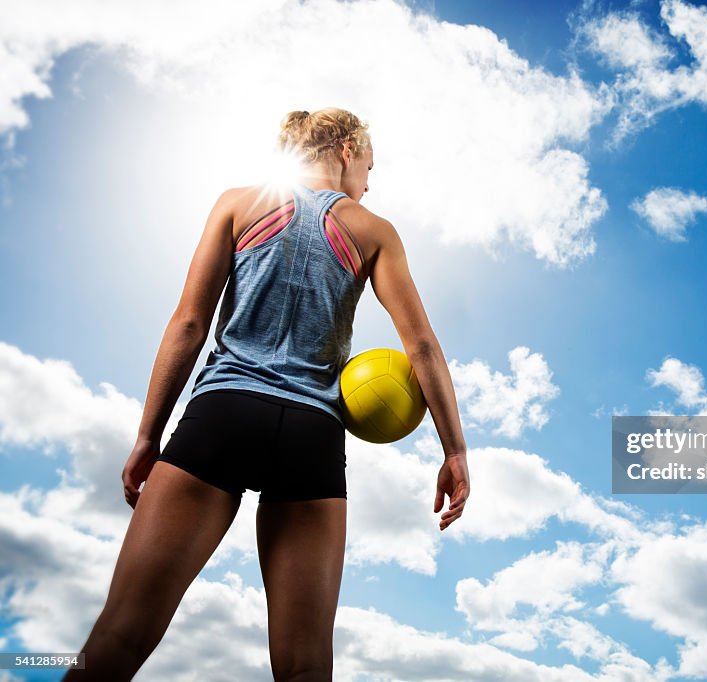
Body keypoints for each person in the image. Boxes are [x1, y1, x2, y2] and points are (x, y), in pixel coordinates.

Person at [64, 108, 470, 681]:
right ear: (348, 149)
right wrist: (454, 451)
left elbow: (188, 324)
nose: (370, 184)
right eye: (371, 167)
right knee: (305, 668)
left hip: (223, 416)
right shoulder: (375, 230)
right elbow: (422, 345)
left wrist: (148, 435)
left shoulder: (238, 203)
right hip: (311, 432)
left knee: (122, 633)